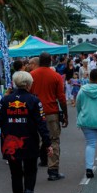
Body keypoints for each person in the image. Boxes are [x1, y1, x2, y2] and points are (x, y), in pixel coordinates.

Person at [0, 71, 52, 193]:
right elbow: (41, 124)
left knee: (15, 175)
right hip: (29, 142)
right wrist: (47, 143)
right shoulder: (34, 100)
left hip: (9, 143)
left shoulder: (6, 100)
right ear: (27, 84)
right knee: (31, 171)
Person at [30, 52, 67, 181]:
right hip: (51, 112)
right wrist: (65, 114)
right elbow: (61, 98)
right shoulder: (56, 76)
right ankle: (53, 171)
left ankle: (30, 169)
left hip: (34, 113)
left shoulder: (31, 76)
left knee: (34, 140)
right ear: (51, 61)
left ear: (39, 61)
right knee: (54, 140)